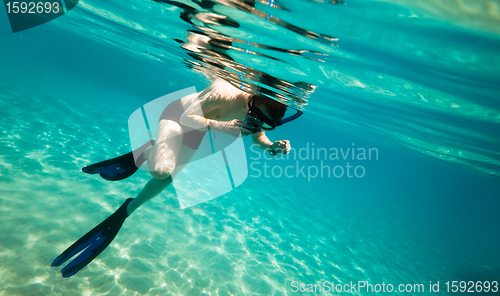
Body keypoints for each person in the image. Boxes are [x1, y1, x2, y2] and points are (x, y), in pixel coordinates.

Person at [51, 79, 301, 277]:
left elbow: (258, 138)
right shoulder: (224, 90)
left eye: (264, 124)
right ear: (254, 99)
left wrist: (272, 147)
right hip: (177, 118)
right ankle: (147, 151)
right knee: (162, 170)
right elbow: (186, 118)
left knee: (169, 177)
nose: (255, 123)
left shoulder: (258, 113)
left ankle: (127, 210)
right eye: (256, 118)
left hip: (199, 129)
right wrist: (221, 126)